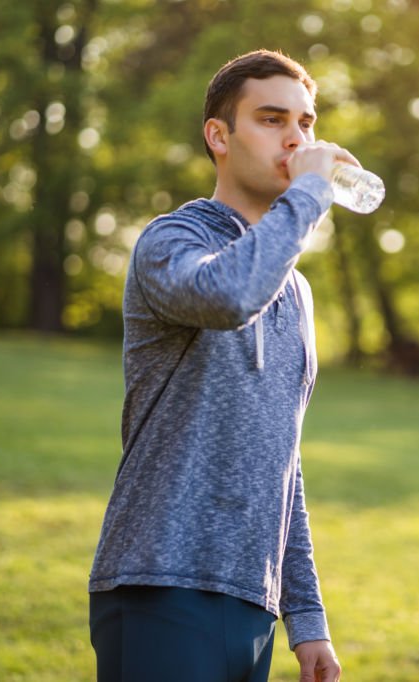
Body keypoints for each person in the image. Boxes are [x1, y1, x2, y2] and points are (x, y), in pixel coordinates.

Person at [88, 49, 351, 682]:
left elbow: (280, 459)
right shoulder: (171, 242)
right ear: (219, 136)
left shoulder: (296, 291)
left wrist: (306, 614)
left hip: (250, 600)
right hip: (162, 583)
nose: (297, 138)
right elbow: (228, 295)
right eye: (271, 119)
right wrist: (313, 192)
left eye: (307, 123)